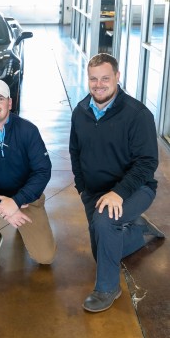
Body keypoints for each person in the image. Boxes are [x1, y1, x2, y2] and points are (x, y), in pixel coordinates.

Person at [69, 53, 165, 313]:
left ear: (117, 77)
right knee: (101, 251)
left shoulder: (137, 114)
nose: (98, 84)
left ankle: (107, 288)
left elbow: (147, 164)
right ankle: (137, 230)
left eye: (105, 78)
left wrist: (118, 193)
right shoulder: (81, 111)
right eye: (93, 79)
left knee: (105, 221)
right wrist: (83, 188)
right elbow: (75, 153)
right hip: (95, 191)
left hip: (135, 188)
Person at [0, 79, 56, 272]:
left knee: (45, 257)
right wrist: (4, 206)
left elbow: (43, 170)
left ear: (10, 103)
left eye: (0, 98)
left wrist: (16, 202)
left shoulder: (28, 130)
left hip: (26, 199)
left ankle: (25, 226)